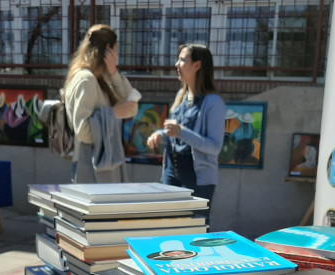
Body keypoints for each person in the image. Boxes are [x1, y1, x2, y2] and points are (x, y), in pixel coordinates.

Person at [147, 44, 225, 223]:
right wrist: (160, 134)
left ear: (197, 66)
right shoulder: (181, 96)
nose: (177, 64)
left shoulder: (213, 102)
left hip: (197, 178)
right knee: (166, 226)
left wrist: (181, 132)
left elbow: (214, 147)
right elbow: (175, 133)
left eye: (182, 60)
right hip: (171, 171)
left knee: (193, 231)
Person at [63, 24, 138, 183]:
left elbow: (132, 108)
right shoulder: (87, 80)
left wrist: (114, 73)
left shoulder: (102, 78)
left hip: (101, 163)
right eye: (116, 51)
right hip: (92, 165)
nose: (117, 57)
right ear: (108, 51)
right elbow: (83, 132)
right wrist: (114, 113)